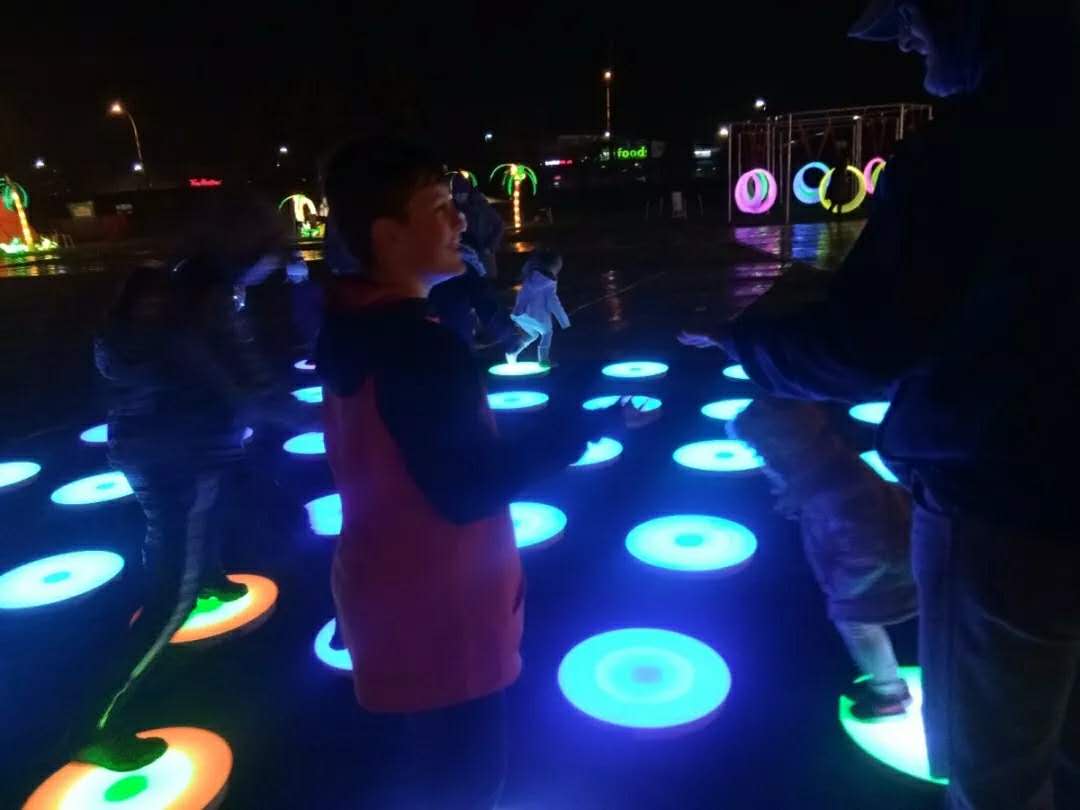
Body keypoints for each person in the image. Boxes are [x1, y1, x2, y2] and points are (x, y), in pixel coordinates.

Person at [681, 2, 1080, 807]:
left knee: (995, 767)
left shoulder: (970, 150)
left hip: (1003, 501)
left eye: (913, 14)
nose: (904, 37)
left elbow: (868, 343)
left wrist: (744, 343)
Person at [317, 136, 648, 808]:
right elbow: (468, 488)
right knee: (468, 778)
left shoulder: (351, 327)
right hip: (446, 606)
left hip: (384, 588)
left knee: (428, 769)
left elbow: (422, 458)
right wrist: (579, 425)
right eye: (439, 206)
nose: (460, 218)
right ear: (388, 235)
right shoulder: (420, 345)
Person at [79, 190, 299, 771]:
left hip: (152, 442)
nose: (277, 262)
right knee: (169, 591)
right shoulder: (209, 298)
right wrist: (328, 418)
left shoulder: (182, 282)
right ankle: (100, 720)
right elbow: (240, 380)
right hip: (181, 453)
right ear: (250, 247)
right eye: (273, 250)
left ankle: (209, 578)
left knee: (201, 526)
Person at [730, 398, 915, 718]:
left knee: (858, 627)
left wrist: (839, 588)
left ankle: (890, 695)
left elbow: (869, 554)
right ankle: (885, 685)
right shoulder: (827, 461)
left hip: (875, 577)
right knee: (859, 627)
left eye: (760, 448)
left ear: (781, 445)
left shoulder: (837, 494)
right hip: (881, 562)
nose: (760, 457)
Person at [427, 239, 517, 351]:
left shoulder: (424, 261)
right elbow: (485, 302)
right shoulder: (462, 267)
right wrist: (505, 333)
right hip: (454, 335)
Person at [506, 250, 569, 366]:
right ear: (554, 266)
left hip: (519, 313)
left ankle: (512, 352)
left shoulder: (530, 276)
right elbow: (554, 302)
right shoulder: (549, 282)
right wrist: (564, 321)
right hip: (534, 315)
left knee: (532, 334)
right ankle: (543, 360)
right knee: (547, 332)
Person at [451, 172, 504, 278]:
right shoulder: (451, 208)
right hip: (462, 254)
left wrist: (490, 246)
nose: (459, 196)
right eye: (456, 193)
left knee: (487, 280)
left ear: (467, 192)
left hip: (482, 252)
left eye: (462, 193)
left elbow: (499, 225)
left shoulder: (481, 206)